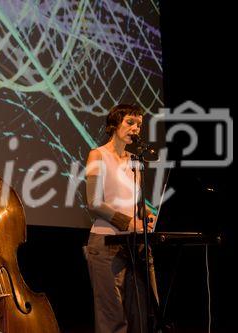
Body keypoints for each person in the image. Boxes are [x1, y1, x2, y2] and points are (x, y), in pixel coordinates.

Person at [85, 104, 157, 333]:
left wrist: (147, 213)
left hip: (135, 242)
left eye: (139, 125)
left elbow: (136, 202)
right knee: (112, 317)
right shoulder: (98, 155)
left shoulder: (136, 160)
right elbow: (94, 203)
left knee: (145, 310)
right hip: (106, 244)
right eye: (130, 122)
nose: (135, 128)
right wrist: (128, 222)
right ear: (114, 124)